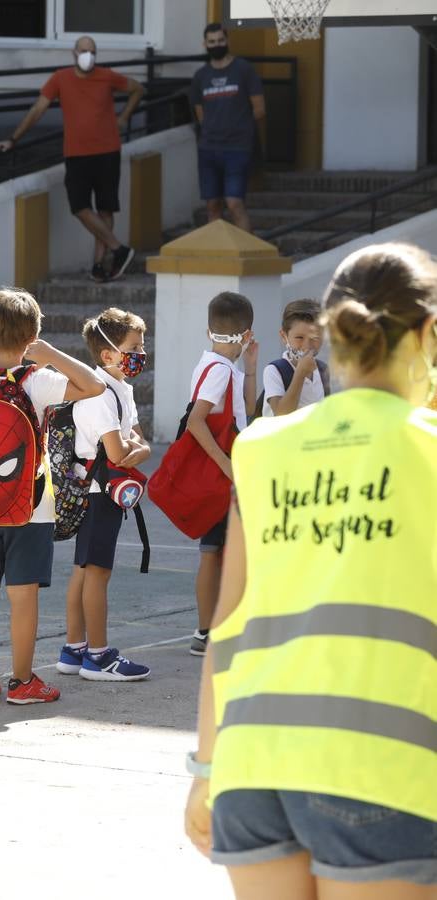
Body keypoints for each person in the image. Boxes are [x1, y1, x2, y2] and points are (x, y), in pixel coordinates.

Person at [185, 242, 437, 897]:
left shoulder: (266, 448)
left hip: (253, 763)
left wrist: (206, 769)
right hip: (383, 765)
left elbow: (226, 622)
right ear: (428, 332)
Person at [0, 289, 104, 704]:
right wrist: (50, 355)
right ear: (33, 336)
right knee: (23, 594)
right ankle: (22, 681)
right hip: (30, 506)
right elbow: (95, 386)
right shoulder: (39, 381)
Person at [0, 36, 144, 282]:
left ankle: (99, 264)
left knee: (105, 208)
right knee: (80, 207)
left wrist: (124, 117)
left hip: (107, 150)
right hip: (77, 153)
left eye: (93, 51)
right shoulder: (60, 78)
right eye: (84, 50)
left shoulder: (107, 76)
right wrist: (13, 138)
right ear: (74, 53)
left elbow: (138, 89)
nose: (88, 55)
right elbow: (37, 110)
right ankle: (119, 249)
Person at [58, 309, 153, 682]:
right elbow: (117, 453)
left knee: (84, 570)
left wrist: (139, 448)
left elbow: (139, 442)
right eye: (134, 347)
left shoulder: (118, 388)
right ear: (108, 353)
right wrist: (137, 447)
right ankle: (97, 655)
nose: (140, 354)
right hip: (99, 492)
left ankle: (73, 648)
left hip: (98, 489)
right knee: (97, 572)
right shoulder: (99, 393)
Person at [185, 292, 258, 657]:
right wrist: (226, 464)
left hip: (223, 473)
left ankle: (213, 628)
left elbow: (242, 409)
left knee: (218, 551)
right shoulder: (218, 370)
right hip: (222, 474)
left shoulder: (216, 365)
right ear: (246, 334)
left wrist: (251, 368)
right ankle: (208, 630)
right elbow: (197, 421)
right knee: (215, 553)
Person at [191, 23, 266, 234]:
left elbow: (260, 109)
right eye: (212, 42)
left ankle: (248, 256)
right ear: (205, 44)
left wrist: (238, 126)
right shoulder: (200, 76)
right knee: (212, 206)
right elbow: (200, 113)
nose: (217, 45)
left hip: (237, 148)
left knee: (234, 203)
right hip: (208, 149)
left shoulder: (243, 69)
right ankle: (218, 259)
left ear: (228, 41)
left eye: (220, 41)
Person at [260, 299, 328, 418]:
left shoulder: (322, 369)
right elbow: (281, 414)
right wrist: (300, 374)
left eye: (315, 338)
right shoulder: (274, 371)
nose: (307, 345)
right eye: (299, 338)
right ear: (284, 336)